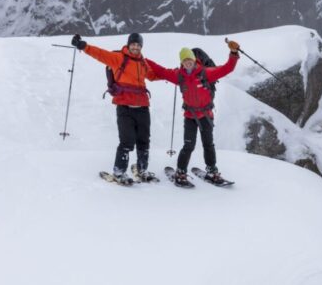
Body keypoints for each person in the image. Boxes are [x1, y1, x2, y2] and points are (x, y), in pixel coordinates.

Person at [71, 32, 161, 182]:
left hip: (143, 107)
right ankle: (119, 172)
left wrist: (177, 76)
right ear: (128, 44)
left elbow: (152, 76)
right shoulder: (118, 58)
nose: (135, 47)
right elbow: (100, 54)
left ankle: (142, 170)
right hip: (124, 106)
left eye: (138, 45)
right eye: (133, 44)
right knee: (127, 141)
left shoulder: (143, 62)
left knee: (144, 141)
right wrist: (83, 46)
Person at [146, 40, 240, 183]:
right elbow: (161, 71)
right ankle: (181, 172)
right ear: (182, 63)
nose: (188, 62)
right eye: (185, 61)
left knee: (208, 144)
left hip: (206, 116)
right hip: (190, 116)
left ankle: (212, 171)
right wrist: (143, 59)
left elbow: (227, 68)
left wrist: (233, 54)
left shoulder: (205, 73)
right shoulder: (179, 75)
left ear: (194, 59)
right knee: (188, 146)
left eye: (189, 59)